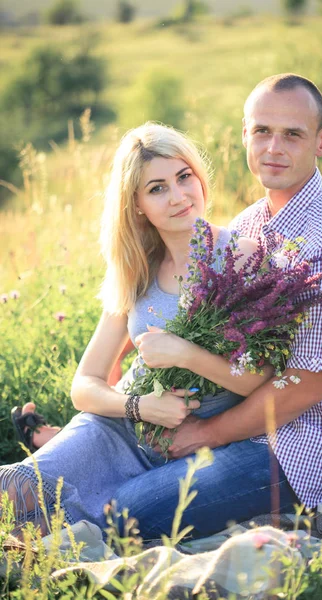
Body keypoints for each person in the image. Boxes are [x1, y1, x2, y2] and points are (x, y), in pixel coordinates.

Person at [1, 122, 299, 540]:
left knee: (106, 520)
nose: (178, 197)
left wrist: (183, 353)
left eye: (183, 177)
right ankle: (55, 449)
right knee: (15, 493)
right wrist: (141, 407)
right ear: (137, 204)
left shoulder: (242, 259)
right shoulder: (136, 271)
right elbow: (84, 385)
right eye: (157, 188)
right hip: (118, 429)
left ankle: (51, 444)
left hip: (192, 445)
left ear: (198, 176)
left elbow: (259, 381)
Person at [142, 73, 322, 513]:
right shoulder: (248, 225)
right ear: (244, 135)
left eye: (292, 134)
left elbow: (304, 387)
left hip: (307, 450)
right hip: (240, 418)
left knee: (124, 511)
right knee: (123, 473)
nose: (273, 149)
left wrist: (205, 433)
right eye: (262, 131)